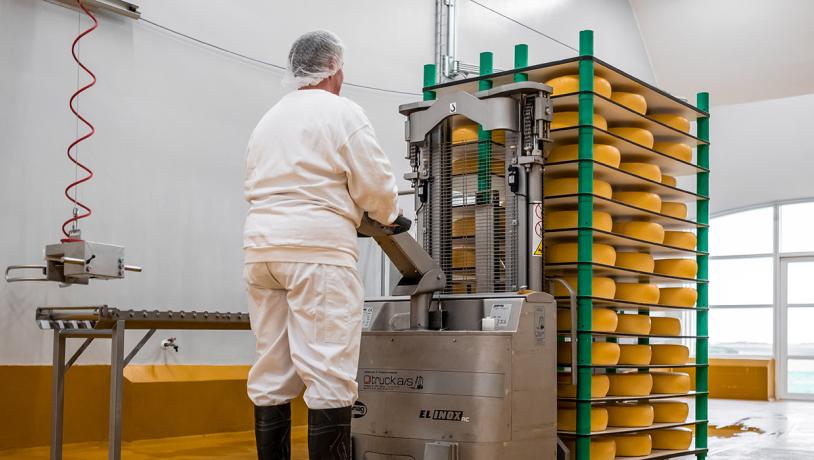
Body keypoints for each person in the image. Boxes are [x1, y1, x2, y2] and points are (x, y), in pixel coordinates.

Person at [243, 30, 400, 460]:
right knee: (329, 373)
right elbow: (374, 183)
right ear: (334, 69)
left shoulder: (269, 119)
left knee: (271, 370)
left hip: (261, 252)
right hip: (317, 255)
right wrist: (390, 214)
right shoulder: (341, 112)